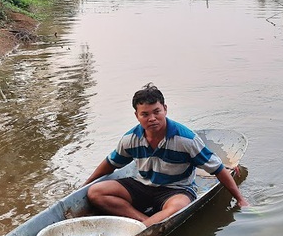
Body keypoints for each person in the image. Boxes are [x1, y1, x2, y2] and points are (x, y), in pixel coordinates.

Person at [84, 83, 248, 227]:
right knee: (95, 192)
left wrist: (240, 199)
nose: (152, 118)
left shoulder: (186, 139)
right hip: (143, 186)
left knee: (177, 207)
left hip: (176, 190)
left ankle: (143, 227)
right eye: (145, 114)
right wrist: (87, 183)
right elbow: (111, 163)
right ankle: (143, 223)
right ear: (137, 116)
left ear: (165, 109)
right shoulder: (130, 139)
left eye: (157, 112)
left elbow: (218, 168)